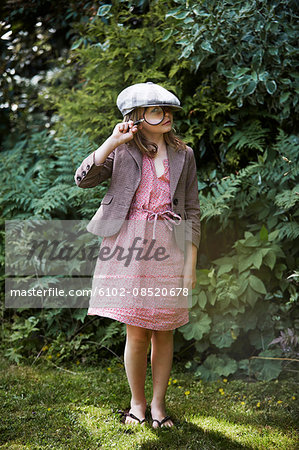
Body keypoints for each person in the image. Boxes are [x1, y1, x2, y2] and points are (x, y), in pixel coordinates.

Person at [74, 81, 200, 428]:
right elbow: (83, 179)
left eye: (168, 110)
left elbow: (191, 210)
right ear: (137, 117)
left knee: (165, 329)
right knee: (137, 330)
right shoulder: (123, 150)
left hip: (169, 246)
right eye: (157, 111)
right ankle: (137, 405)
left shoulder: (183, 154)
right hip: (127, 245)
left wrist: (190, 262)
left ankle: (159, 406)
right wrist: (113, 140)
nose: (167, 117)